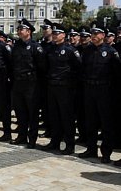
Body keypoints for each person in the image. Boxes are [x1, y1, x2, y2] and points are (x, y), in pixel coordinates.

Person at [78, 24, 120, 164]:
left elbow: (117, 74)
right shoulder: (87, 51)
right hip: (90, 90)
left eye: (97, 34)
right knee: (90, 121)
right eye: (92, 34)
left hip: (105, 92)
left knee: (106, 123)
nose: (94, 36)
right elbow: (82, 69)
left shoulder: (111, 52)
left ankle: (106, 152)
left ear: (103, 35)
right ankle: (91, 149)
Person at [41, 23, 81, 155]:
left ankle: (69, 145)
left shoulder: (70, 50)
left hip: (65, 89)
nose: (54, 35)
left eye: (57, 33)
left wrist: (71, 84)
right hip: (52, 87)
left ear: (63, 35)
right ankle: (55, 142)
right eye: (53, 33)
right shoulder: (50, 49)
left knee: (66, 117)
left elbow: (78, 68)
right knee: (54, 116)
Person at [10, 18, 45, 149]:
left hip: (31, 85)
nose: (19, 31)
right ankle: (22, 136)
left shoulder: (36, 47)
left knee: (32, 113)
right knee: (20, 112)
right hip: (18, 83)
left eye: (21, 29)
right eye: (18, 29)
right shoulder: (16, 46)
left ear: (28, 31)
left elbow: (42, 67)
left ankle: (32, 138)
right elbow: (12, 65)